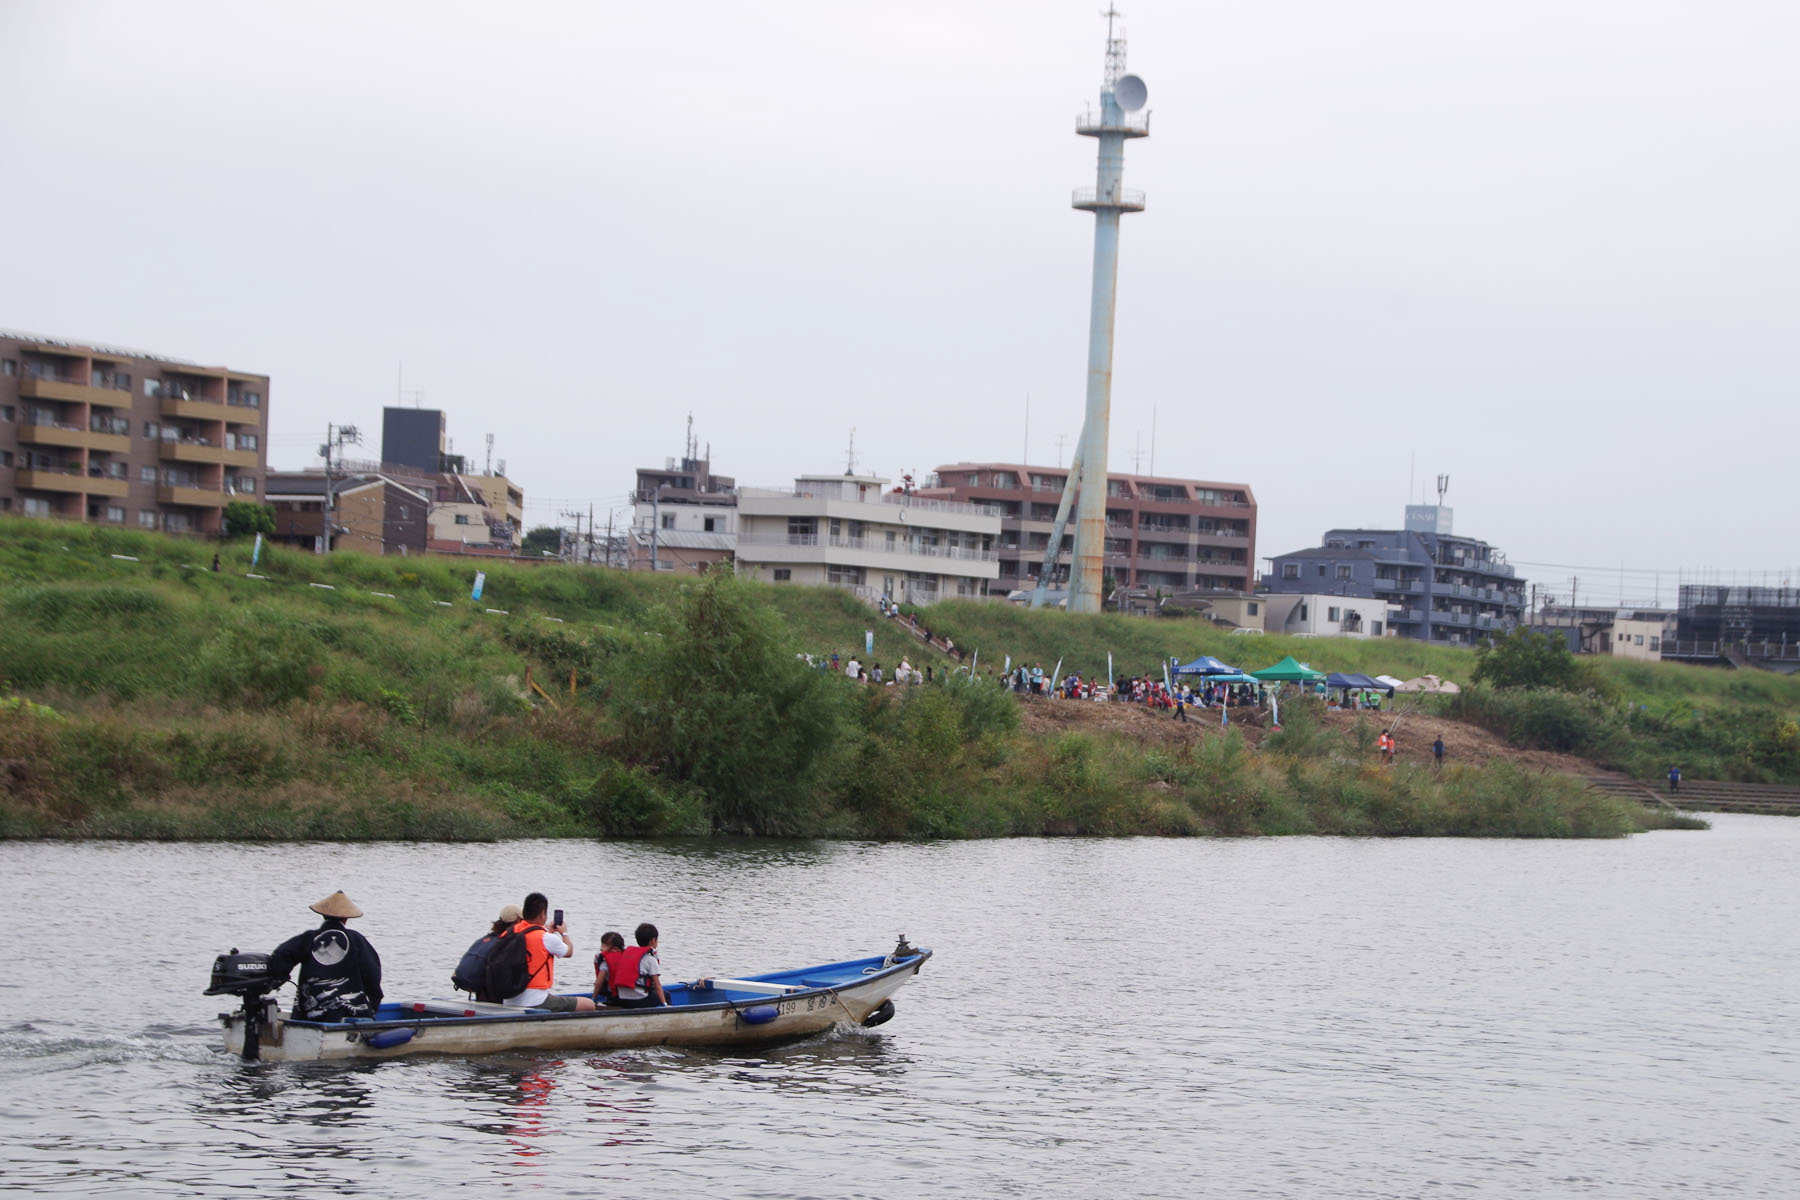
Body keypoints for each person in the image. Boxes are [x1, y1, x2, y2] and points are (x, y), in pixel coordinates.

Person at [266, 890, 383, 1021]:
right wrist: (374, 1000)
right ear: (346, 918)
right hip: (351, 1013)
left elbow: (282, 954)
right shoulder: (356, 939)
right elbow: (372, 971)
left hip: (311, 1013)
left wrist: (278, 978)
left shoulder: (309, 938)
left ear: (323, 915)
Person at [504, 892, 596, 1012]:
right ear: (543, 914)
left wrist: (548, 932)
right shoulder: (545, 937)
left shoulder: (509, 933)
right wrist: (564, 933)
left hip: (508, 998)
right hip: (535, 1001)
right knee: (589, 1004)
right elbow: (568, 952)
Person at [605, 922, 668, 1009]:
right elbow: (657, 985)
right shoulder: (650, 959)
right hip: (639, 1000)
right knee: (666, 995)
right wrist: (664, 1004)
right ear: (653, 940)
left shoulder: (626, 955)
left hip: (621, 999)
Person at [591, 930, 627, 1004]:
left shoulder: (605, 962)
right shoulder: (629, 957)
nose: (601, 948)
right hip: (629, 995)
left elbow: (599, 982)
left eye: (604, 946)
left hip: (613, 997)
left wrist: (593, 998)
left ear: (615, 949)